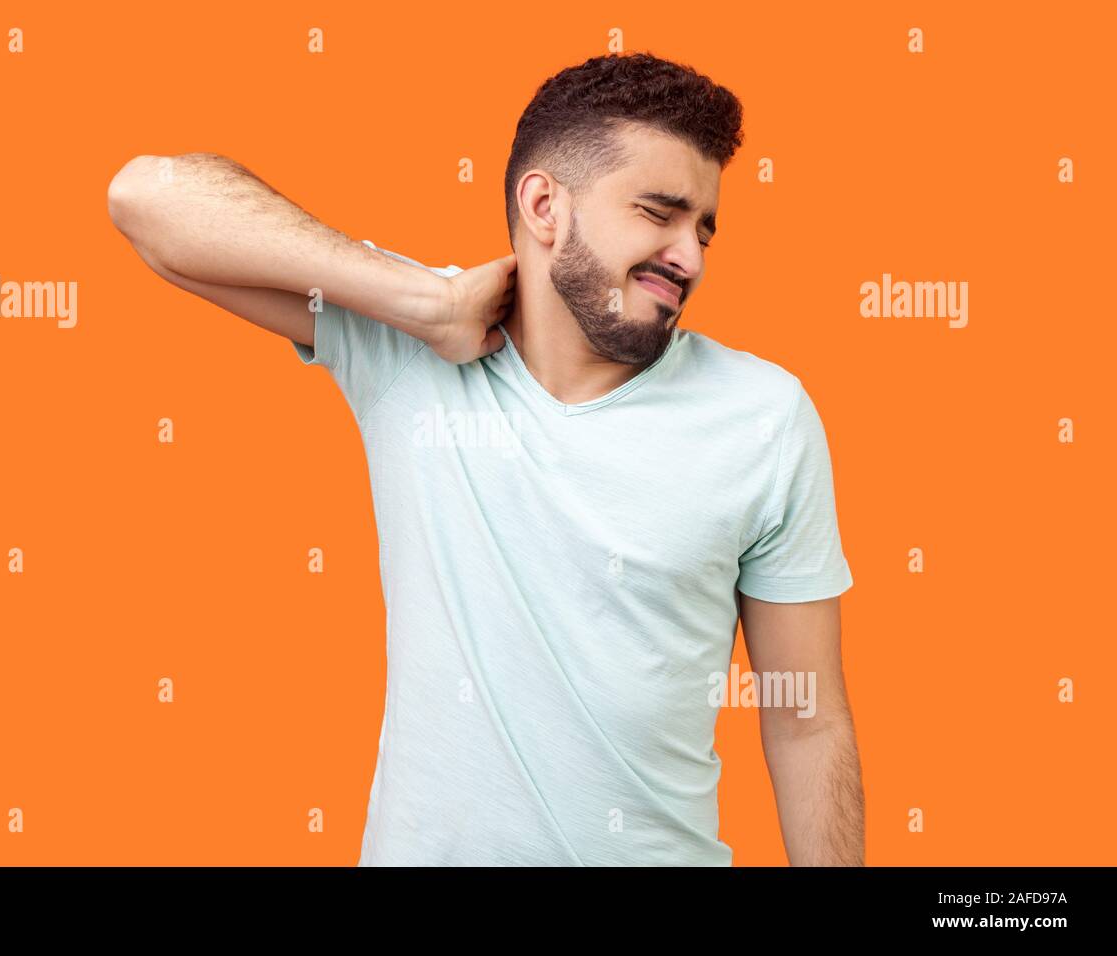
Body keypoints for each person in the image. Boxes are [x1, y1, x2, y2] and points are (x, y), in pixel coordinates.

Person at [107, 51, 863, 866]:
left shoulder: (763, 415)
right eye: (659, 213)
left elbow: (807, 721)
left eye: (704, 229)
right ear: (545, 205)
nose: (692, 257)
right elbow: (146, 200)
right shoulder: (407, 348)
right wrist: (426, 305)